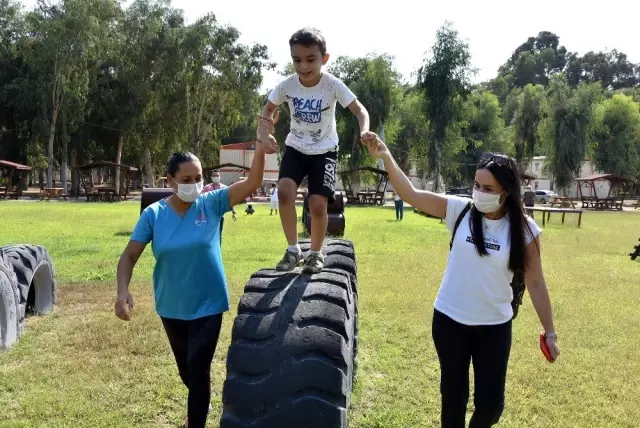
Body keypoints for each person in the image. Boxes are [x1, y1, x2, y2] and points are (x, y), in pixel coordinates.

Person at [361, 132, 560, 428]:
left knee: (491, 406)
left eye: (487, 187)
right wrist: (387, 157)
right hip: (450, 321)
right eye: (476, 185)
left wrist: (550, 331)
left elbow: (536, 283)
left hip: (494, 327)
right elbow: (412, 195)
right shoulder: (460, 210)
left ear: (505, 191)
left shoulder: (525, 230)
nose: (479, 192)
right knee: (453, 398)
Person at [114, 140, 266, 428]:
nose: (194, 185)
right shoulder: (154, 215)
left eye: (198, 178)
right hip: (171, 305)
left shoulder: (212, 202)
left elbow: (254, 181)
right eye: (186, 180)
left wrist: (259, 143)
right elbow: (129, 256)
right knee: (187, 373)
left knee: (198, 371)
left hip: (208, 303)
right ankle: (196, 407)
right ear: (170, 181)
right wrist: (123, 291)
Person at [257, 27, 370, 274]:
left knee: (318, 204)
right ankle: (293, 249)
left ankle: (316, 254)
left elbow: (360, 110)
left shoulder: (333, 85)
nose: (303, 66)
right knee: (285, 194)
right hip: (296, 147)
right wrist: (266, 134)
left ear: (324, 58)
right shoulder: (287, 85)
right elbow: (267, 110)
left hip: (325, 150)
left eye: (311, 60)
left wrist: (364, 131)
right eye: (297, 60)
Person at [202, 169, 237, 244]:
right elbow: (200, 199)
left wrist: (234, 212)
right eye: (214, 175)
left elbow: (230, 200)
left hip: (220, 216)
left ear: (220, 177)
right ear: (211, 177)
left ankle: (218, 249)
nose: (216, 177)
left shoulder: (224, 188)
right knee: (208, 234)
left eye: (217, 175)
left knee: (219, 234)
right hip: (208, 215)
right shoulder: (207, 188)